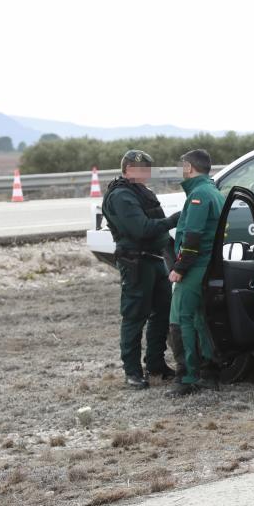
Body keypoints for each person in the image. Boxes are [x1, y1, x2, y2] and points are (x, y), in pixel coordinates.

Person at [100, 150, 181, 389]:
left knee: (162, 313)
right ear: (126, 170)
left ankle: (156, 365)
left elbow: (157, 231)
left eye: (146, 169)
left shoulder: (141, 192)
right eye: (138, 169)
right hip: (136, 262)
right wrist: (174, 220)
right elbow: (142, 229)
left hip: (155, 260)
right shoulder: (121, 196)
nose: (143, 173)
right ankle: (132, 371)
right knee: (135, 316)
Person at [167, 149, 224, 397]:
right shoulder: (213, 191)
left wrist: (180, 268)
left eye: (183, 166)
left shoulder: (200, 194)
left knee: (183, 320)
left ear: (189, 167)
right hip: (207, 265)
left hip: (195, 267)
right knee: (200, 320)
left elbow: (193, 237)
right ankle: (210, 371)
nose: (182, 170)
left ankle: (189, 376)